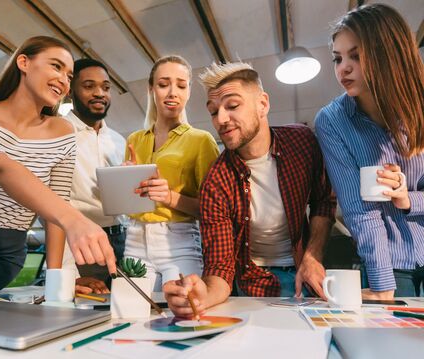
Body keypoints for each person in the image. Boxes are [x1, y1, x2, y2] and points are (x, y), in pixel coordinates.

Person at [0, 36, 116, 294]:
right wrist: (75, 221)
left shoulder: (63, 133)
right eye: (56, 66)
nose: (64, 81)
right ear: (23, 62)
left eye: (69, 76)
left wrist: (58, 280)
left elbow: (55, 206)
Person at [164, 62, 336, 318]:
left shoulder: (301, 142)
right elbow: (220, 267)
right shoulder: (216, 180)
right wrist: (202, 297)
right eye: (213, 111)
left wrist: (313, 256)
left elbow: (323, 200)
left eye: (232, 106)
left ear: (263, 104)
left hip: (303, 272)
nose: (221, 119)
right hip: (251, 282)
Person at [314, 4, 424, 298]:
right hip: (390, 263)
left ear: (390, 55)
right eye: (338, 58)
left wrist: (407, 199)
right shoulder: (331, 121)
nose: (343, 68)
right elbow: (359, 211)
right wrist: (382, 284)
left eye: (356, 56)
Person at [124, 55, 219, 291]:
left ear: (188, 92)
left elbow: (213, 211)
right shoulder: (134, 140)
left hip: (179, 242)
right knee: (129, 314)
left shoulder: (201, 141)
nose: (172, 92)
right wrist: (125, 186)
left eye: (181, 85)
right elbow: (128, 204)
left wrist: (169, 197)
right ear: (151, 89)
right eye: (163, 84)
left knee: (185, 315)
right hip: (134, 239)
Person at [60, 58, 126, 294]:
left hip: (123, 242)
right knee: (84, 315)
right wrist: (68, 272)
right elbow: (49, 207)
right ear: (70, 91)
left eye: (106, 87)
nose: (100, 93)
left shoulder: (119, 140)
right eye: (89, 86)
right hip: (81, 245)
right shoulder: (57, 132)